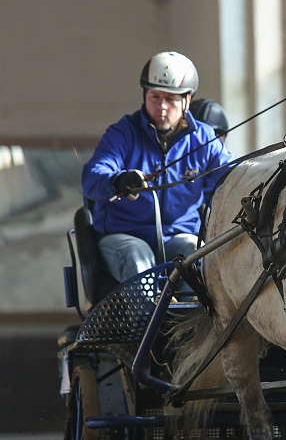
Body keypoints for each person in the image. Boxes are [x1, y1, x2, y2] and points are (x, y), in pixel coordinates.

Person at [82, 51, 233, 282]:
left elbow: (230, 177)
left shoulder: (204, 138)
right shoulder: (122, 133)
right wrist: (118, 180)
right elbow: (92, 177)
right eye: (154, 97)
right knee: (137, 256)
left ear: (187, 100)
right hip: (123, 237)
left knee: (196, 251)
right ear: (144, 95)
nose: (161, 106)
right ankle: (143, 319)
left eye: (171, 99)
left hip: (179, 236)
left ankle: (191, 319)